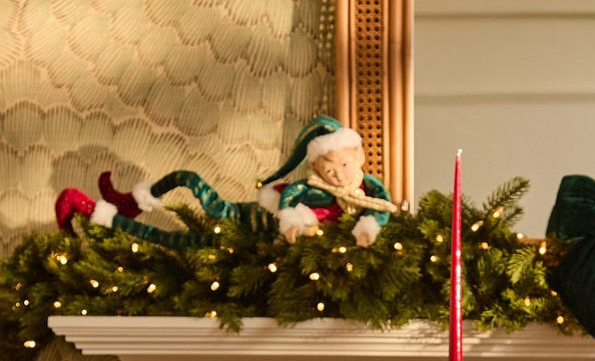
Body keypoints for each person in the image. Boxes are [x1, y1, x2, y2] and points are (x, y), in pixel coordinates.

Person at [54, 115, 397, 249]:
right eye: (329, 168)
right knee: (188, 179)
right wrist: (293, 224)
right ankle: (130, 202)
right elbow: (291, 199)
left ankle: (88, 207)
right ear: (317, 167)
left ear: (360, 157)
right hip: (245, 217)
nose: (338, 174)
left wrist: (368, 229)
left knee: (177, 241)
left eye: (344, 164)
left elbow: (380, 210)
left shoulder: (367, 192)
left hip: (248, 238)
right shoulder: (310, 188)